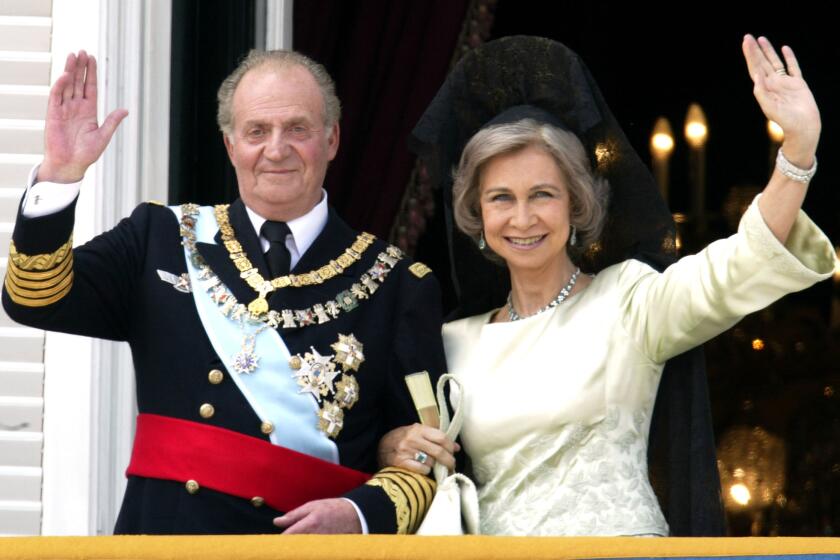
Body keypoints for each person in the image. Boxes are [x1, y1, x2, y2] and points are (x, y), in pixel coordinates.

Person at [378, 35, 836, 536]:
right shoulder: (452, 343)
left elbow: (738, 266)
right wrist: (391, 447)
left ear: (576, 205)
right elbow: (402, 449)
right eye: (501, 198)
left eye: (543, 194)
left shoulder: (629, 302)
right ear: (477, 214)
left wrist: (798, 150)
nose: (523, 217)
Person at [2, 49, 446, 535]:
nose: (276, 150)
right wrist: (60, 175)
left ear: (332, 139)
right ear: (231, 145)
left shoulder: (398, 285)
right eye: (256, 131)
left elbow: (425, 455)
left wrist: (360, 515)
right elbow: (35, 297)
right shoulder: (161, 238)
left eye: (297, 129)